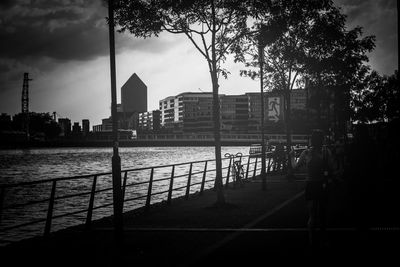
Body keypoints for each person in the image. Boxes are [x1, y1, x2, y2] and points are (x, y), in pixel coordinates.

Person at [292, 129, 335, 247]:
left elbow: (295, 167)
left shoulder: (306, 153)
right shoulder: (327, 152)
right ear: (322, 140)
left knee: (312, 214)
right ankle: (323, 238)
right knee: (323, 213)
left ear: (312, 140)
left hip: (310, 185)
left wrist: (291, 157)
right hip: (323, 185)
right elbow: (332, 168)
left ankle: (311, 240)